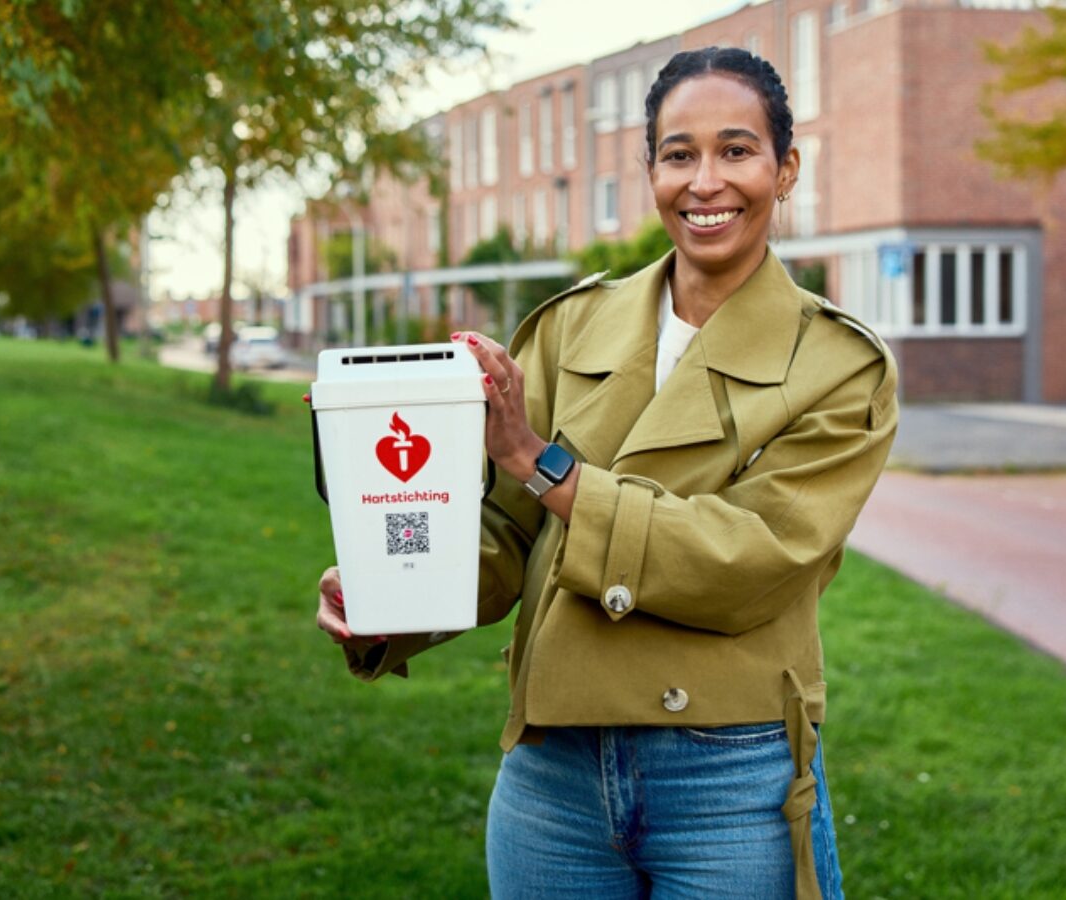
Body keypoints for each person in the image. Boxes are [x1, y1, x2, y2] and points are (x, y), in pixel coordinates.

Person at [315, 46, 897, 900]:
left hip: (730, 780)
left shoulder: (839, 366)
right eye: (677, 154)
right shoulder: (568, 329)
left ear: (786, 170)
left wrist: (544, 464)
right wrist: (385, 596)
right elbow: (509, 533)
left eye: (736, 151)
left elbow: (751, 562)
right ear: (649, 171)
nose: (706, 182)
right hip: (553, 780)